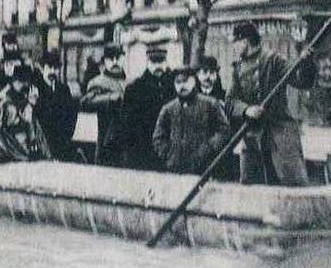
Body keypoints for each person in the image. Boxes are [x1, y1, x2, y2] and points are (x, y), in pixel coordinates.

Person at [226, 20, 316, 186]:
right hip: (253, 138)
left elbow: (301, 81)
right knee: (250, 189)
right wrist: (246, 110)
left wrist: (306, 63)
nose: (234, 47)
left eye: (235, 43)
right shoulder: (238, 68)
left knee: (292, 186)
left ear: (245, 41)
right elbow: (230, 102)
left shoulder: (273, 60)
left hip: (280, 133)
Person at [153, 65, 231, 175]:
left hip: (204, 167)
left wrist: (209, 148)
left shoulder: (210, 104)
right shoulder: (168, 109)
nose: (182, 86)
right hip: (175, 168)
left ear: (194, 81)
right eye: (178, 82)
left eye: (185, 81)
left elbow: (224, 130)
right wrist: (168, 153)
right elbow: (158, 136)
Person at [122, 43, 176, 171]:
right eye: (154, 61)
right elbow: (128, 126)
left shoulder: (174, 86)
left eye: (161, 61)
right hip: (144, 152)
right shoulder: (135, 88)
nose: (158, 66)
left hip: (169, 151)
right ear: (147, 61)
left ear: (166, 61)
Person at [0, 64, 52, 163]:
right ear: (17, 81)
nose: (28, 87)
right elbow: (14, 130)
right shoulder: (5, 101)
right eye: (26, 82)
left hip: (18, 152)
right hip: (8, 154)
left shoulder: (19, 95)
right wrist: (30, 106)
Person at [81, 43, 127, 166]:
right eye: (111, 59)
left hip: (127, 143)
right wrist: (110, 98)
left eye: (118, 58)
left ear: (123, 58)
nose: (115, 62)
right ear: (105, 61)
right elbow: (86, 102)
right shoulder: (97, 82)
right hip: (106, 142)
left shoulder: (129, 83)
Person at [34, 50, 79, 161]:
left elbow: (71, 114)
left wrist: (67, 136)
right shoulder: (35, 89)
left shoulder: (63, 89)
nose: (53, 72)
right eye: (49, 67)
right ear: (41, 68)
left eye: (56, 68)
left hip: (62, 144)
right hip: (43, 145)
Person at [302, 55, 331, 128]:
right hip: (317, 119)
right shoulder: (315, 87)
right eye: (325, 68)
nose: (329, 72)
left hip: (330, 121)